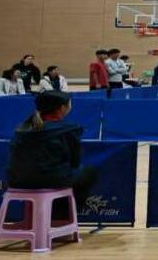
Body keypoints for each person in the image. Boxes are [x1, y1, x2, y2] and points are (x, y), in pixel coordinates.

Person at [6, 91, 98, 222]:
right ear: (62, 108)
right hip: (50, 181)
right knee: (88, 172)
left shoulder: (21, 129)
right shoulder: (69, 129)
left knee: (58, 177)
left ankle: (47, 219)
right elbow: (75, 162)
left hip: (15, 181)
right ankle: (60, 219)